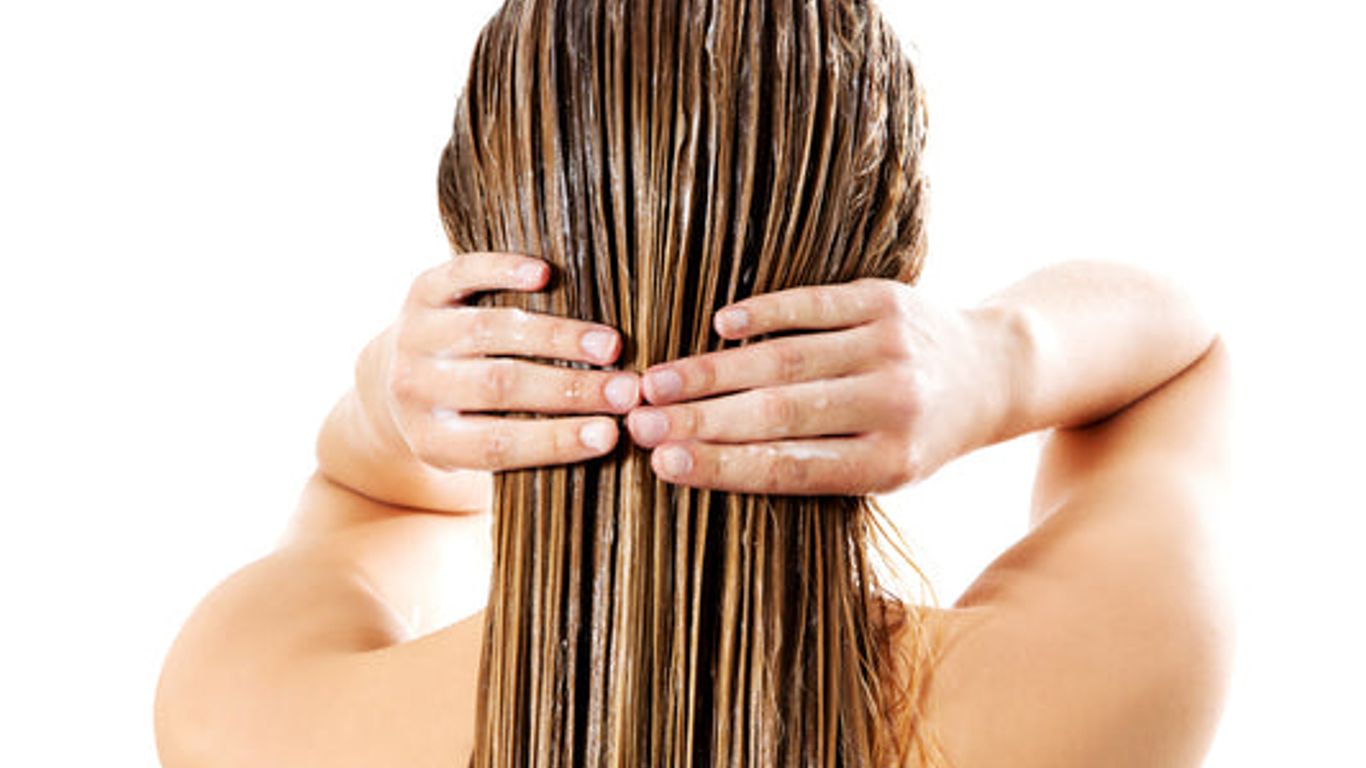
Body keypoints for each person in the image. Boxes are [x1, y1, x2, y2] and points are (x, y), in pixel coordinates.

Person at [154, 1, 1233, 765]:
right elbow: (1181, 354)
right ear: (891, 282)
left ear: (481, 261)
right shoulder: (1084, 697)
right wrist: (998, 360)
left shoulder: (253, 716)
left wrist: (394, 400)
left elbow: (373, 500)